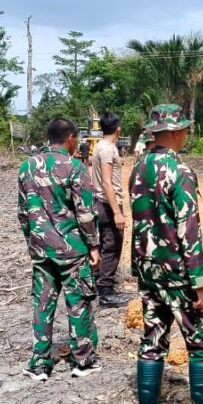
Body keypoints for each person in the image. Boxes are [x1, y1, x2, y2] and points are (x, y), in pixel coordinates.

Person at [129, 104, 203, 404]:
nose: (187, 133)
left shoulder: (138, 168)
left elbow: (141, 221)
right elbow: (188, 230)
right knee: (202, 337)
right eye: (186, 129)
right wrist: (201, 283)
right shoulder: (180, 171)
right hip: (178, 273)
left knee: (153, 337)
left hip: (149, 270)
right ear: (177, 131)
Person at [16, 118, 102, 381]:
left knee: (42, 304)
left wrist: (31, 241)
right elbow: (85, 213)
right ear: (71, 138)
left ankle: (39, 363)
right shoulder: (75, 168)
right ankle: (83, 360)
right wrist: (94, 246)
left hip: (41, 249)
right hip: (72, 250)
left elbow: (23, 213)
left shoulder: (27, 167)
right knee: (78, 303)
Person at [89, 112, 131, 308]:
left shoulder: (100, 147)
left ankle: (101, 285)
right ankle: (106, 293)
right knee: (112, 246)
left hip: (102, 201)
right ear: (118, 129)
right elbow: (107, 182)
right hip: (107, 202)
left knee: (108, 245)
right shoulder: (107, 149)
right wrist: (117, 212)